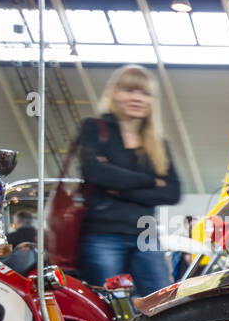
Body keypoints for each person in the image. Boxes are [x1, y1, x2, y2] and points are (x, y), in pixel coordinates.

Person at [77, 65, 180, 294]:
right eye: (129, 91)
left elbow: (172, 192)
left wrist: (117, 186)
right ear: (114, 93)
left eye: (144, 93)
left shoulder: (158, 144)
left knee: (162, 303)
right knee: (105, 304)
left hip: (145, 236)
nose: (136, 98)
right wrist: (152, 181)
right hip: (102, 234)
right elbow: (94, 172)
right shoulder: (94, 128)